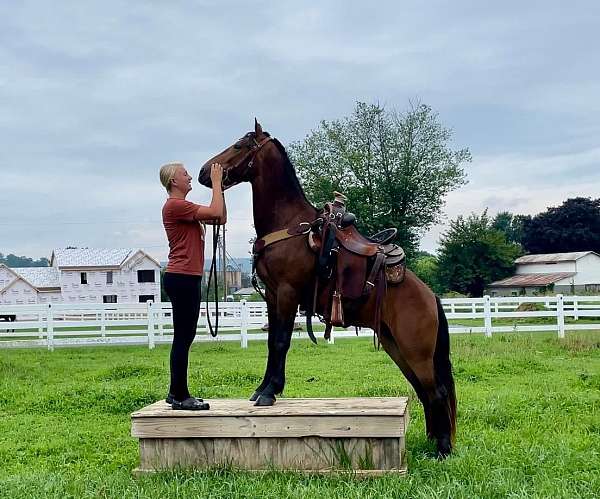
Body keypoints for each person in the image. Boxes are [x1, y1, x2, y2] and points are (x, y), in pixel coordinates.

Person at [159, 161, 226, 410]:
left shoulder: (184, 207)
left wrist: (221, 188)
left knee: (185, 336)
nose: (189, 177)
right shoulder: (176, 206)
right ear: (173, 181)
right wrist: (216, 183)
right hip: (182, 277)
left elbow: (220, 216)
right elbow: (215, 211)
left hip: (187, 277)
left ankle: (176, 392)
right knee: (183, 337)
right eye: (184, 174)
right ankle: (179, 394)